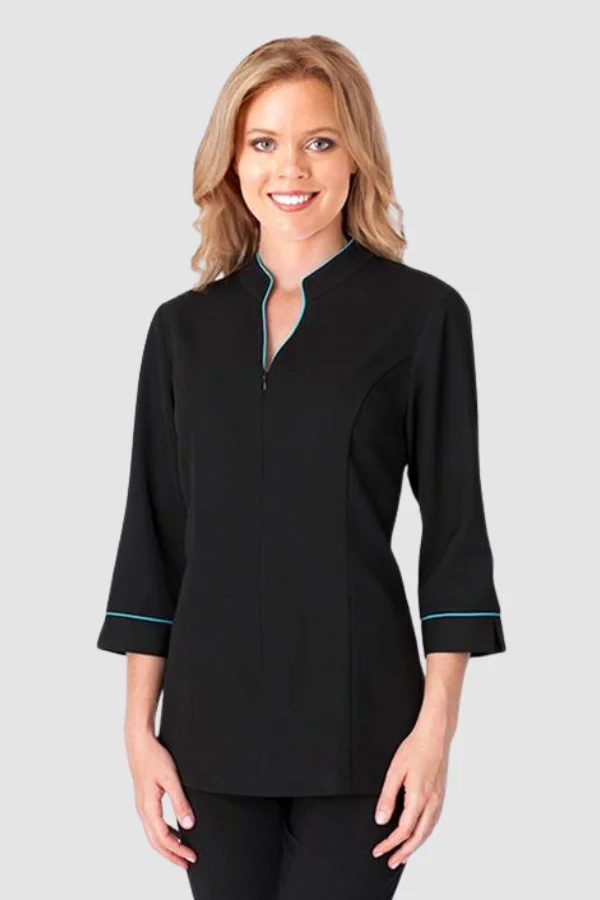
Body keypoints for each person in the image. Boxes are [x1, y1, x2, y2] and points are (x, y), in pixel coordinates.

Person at [96, 34, 506, 899]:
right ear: (232, 160)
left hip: (363, 733)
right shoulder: (182, 330)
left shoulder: (423, 316)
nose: (291, 168)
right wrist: (138, 732)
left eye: (320, 140)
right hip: (207, 736)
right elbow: (153, 535)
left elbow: (456, 538)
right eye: (264, 142)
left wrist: (435, 732)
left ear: (357, 156)